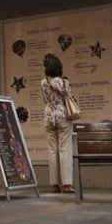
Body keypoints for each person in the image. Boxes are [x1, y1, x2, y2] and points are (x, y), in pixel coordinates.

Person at [40, 54, 74, 194]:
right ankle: (67, 184)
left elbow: (44, 99)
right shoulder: (64, 83)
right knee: (65, 149)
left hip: (49, 116)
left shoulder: (43, 83)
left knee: (52, 150)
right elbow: (69, 98)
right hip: (62, 116)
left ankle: (54, 184)